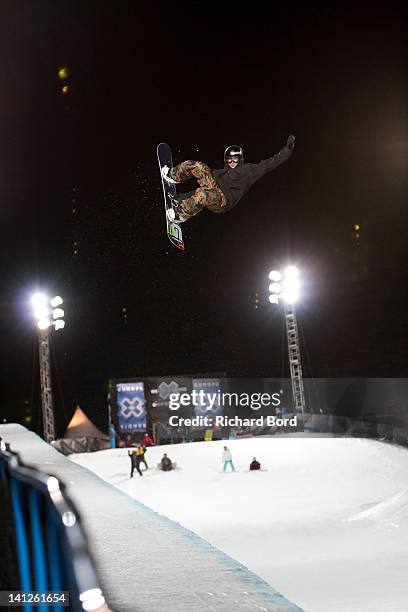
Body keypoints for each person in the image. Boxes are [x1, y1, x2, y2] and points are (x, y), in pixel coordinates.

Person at [161, 135, 295, 223]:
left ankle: (181, 215)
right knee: (197, 165)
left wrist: (287, 151)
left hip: (223, 201)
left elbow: (269, 164)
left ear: (240, 158)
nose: (231, 162)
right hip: (213, 190)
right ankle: (173, 176)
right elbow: (203, 188)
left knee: (203, 195)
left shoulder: (249, 170)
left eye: (235, 159)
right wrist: (180, 197)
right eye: (229, 159)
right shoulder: (220, 172)